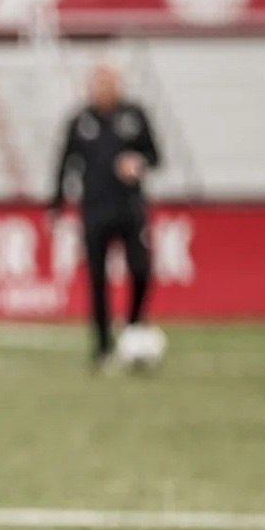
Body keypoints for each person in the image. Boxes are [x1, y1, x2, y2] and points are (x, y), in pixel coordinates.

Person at [48, 62, 161, 367]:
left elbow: (155, 155)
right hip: (95, 209)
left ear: (118, 85)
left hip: (130, 207)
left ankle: (134, 327)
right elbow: (65, 162)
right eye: (97, 83)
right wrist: (56, 204)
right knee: (97, 278)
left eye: (108, 82)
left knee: (140, 269)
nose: (102, 88)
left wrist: (138, 162)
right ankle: (101, 346)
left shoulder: (134, 116)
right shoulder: (80, 120)